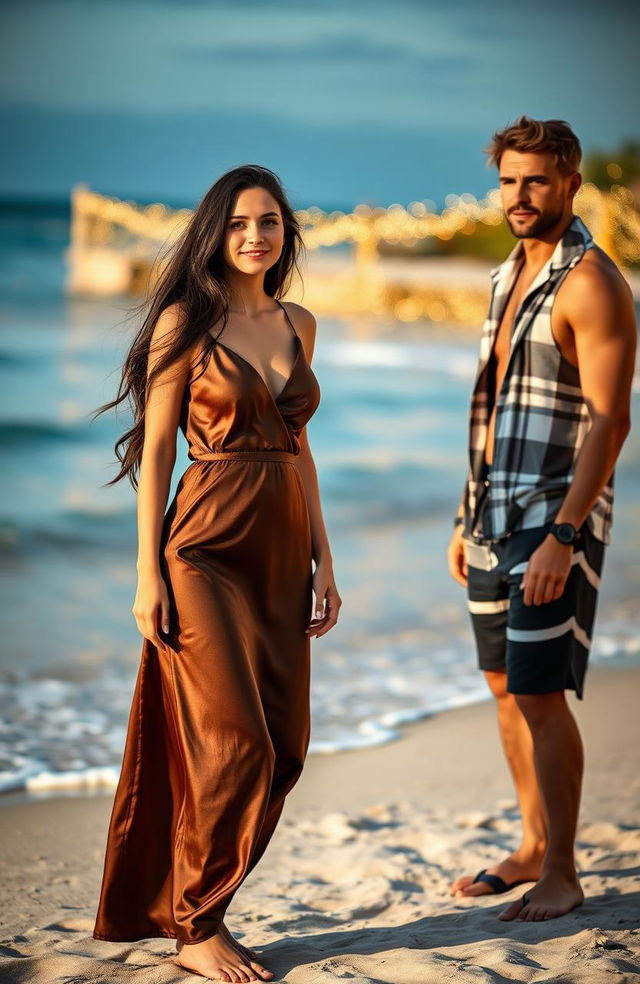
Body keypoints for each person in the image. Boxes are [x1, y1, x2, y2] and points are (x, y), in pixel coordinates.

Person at [92, 165, 341, 982]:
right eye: (239, 222)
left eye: (269, 221)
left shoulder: (299, 320)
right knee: (235, 739)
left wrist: (324, 560)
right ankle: (196, 925)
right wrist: (147, 574)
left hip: (281, 549)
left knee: (284, 745)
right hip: (200, 547)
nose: (255, 235)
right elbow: (158, 451)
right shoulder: (183, 324)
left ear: (285, 232)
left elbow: (298, 447)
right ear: (216, 230)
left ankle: (201, 909)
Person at [447, 117, 635, 922]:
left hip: (554, 517)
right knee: (501, 687)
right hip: (493, 511)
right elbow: (494, 405)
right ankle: (529, 844)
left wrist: (564, 533)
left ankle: (562, 868)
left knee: (540, 692)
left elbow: (611, 421)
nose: (519, 197)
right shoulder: (506, 275)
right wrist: (464, 513)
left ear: (570, 185)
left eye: (536, 181)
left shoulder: (591, 282)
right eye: (509, 181)